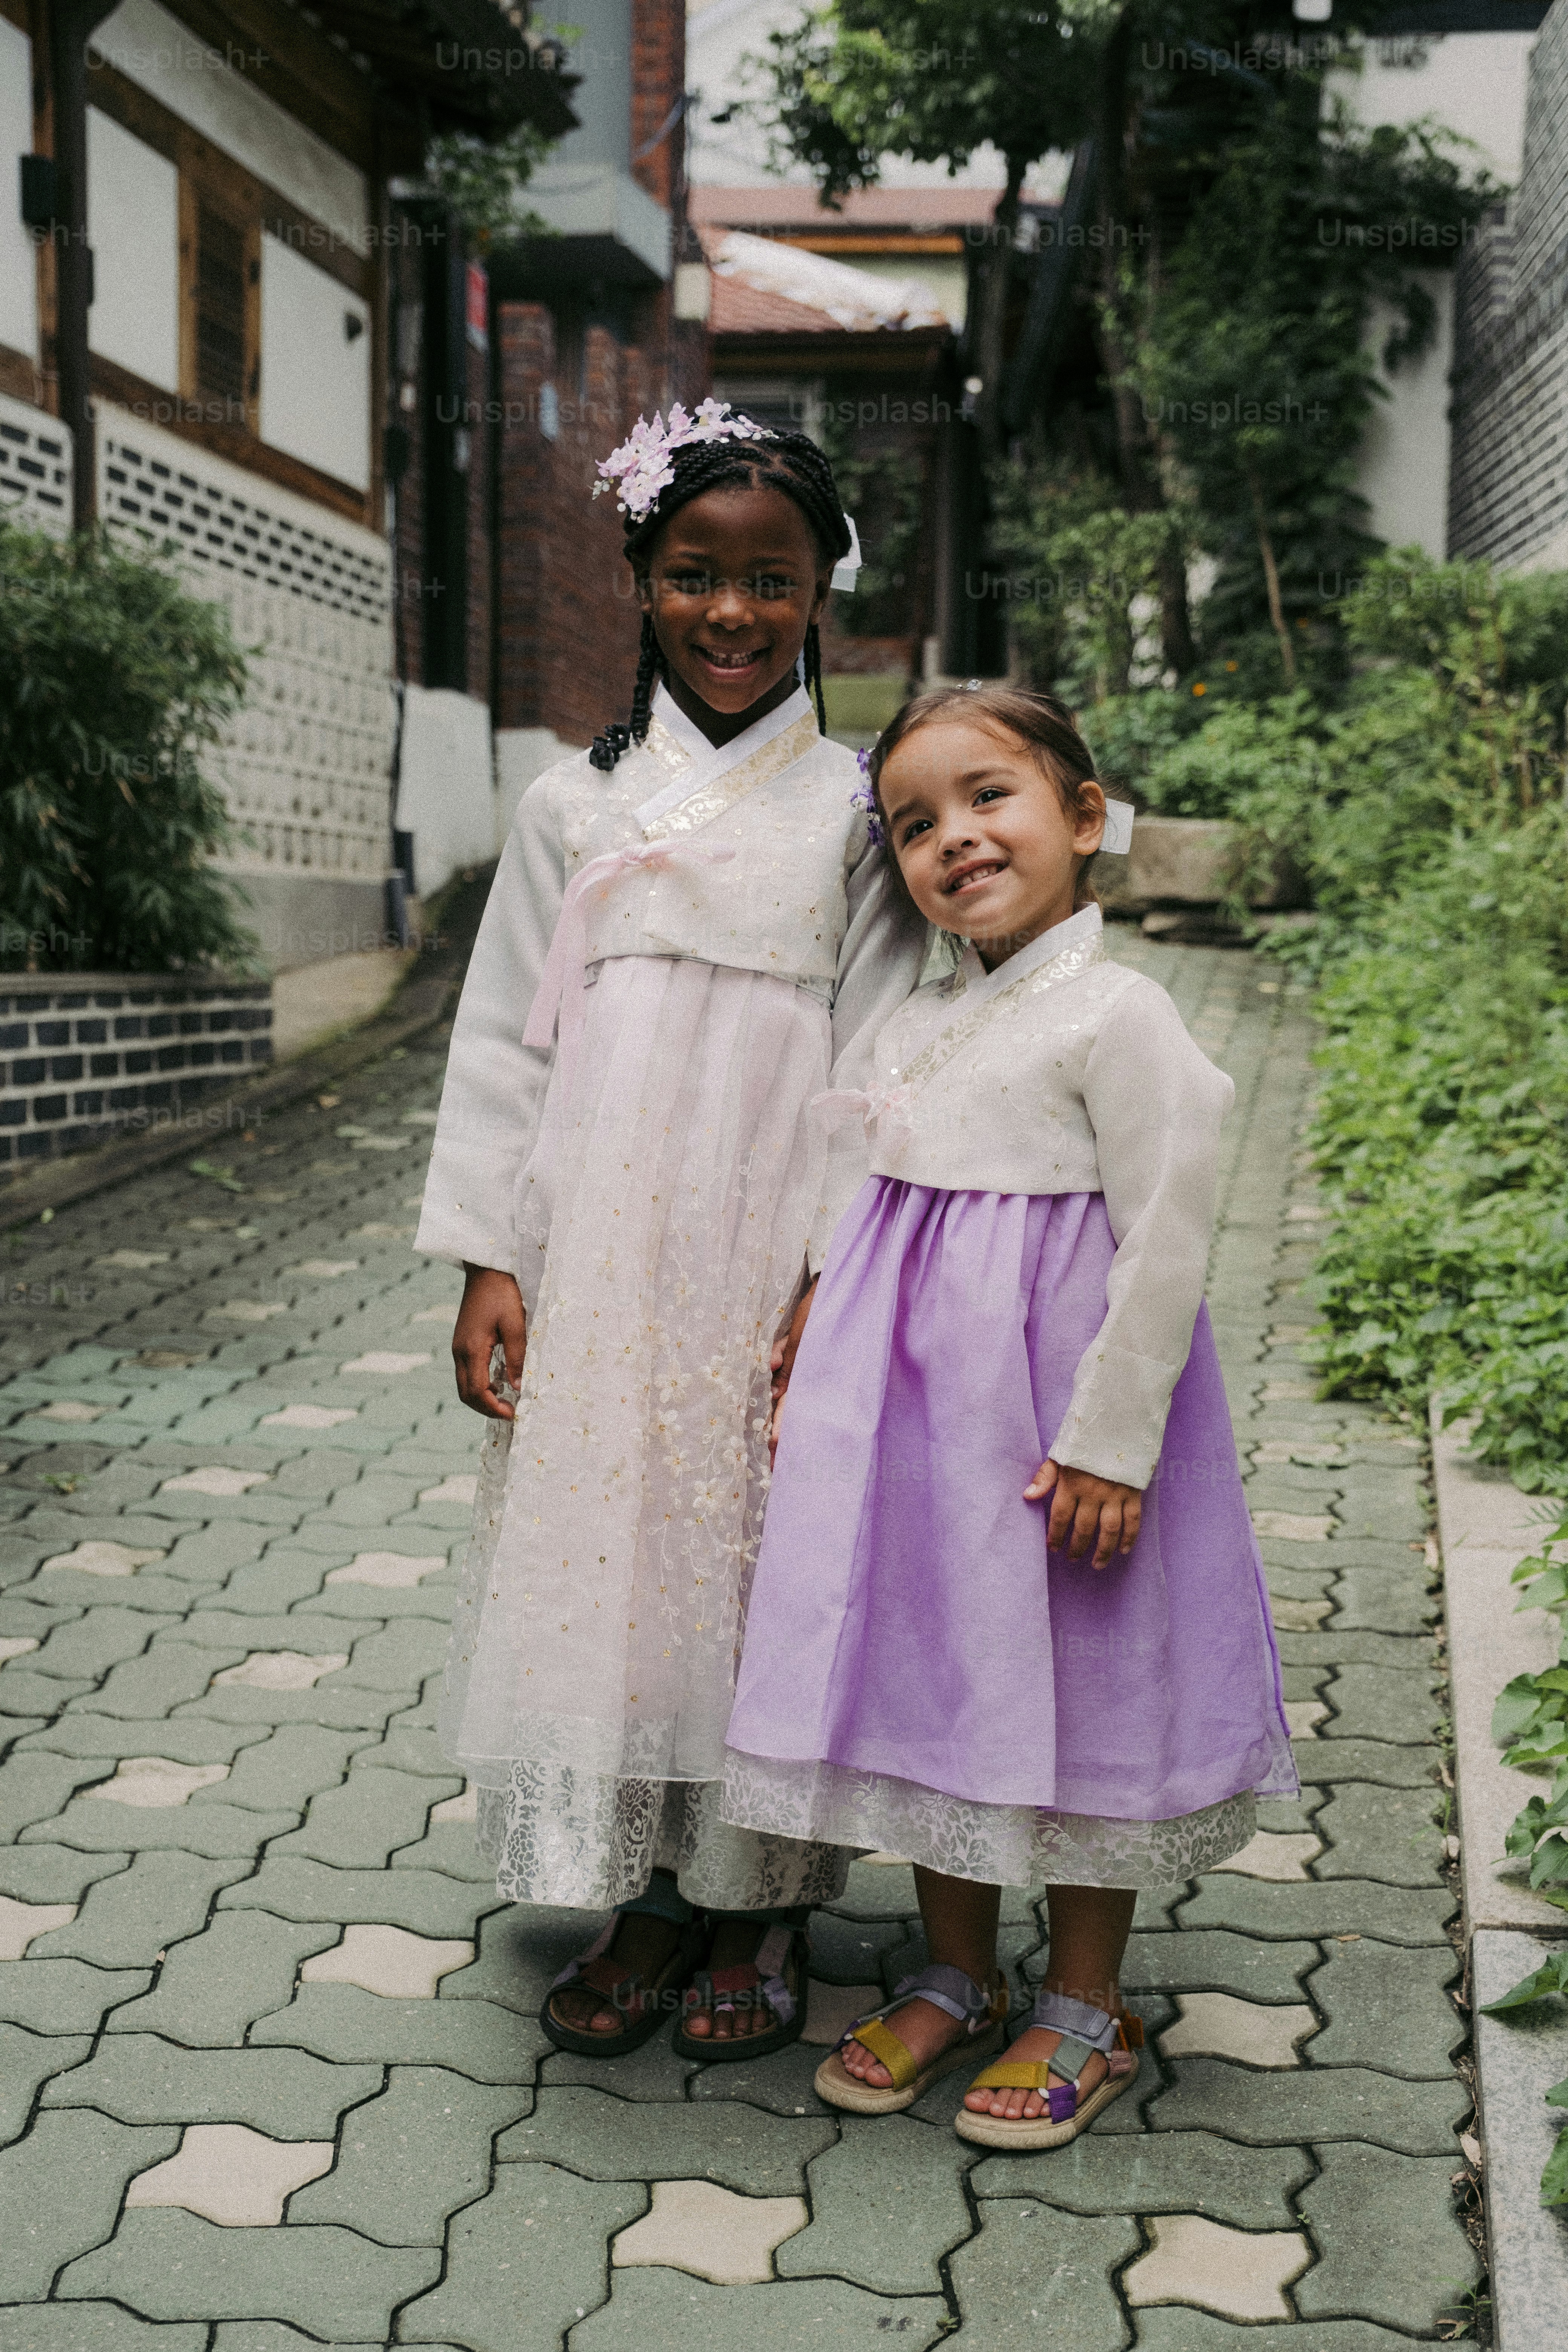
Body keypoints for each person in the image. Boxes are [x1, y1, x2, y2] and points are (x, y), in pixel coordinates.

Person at [415, 400, 927, 2065]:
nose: (730, 612)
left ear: (817, 593)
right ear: (639, 577)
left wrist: (828, 1272)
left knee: (760, 1559)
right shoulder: (580, 804)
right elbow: (505, 1036)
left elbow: (880, 1054)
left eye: (768, 580)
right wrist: (494, 1251)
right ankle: (641, 1888)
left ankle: (759, 1896)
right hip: (608, 1255)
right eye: (695, 574)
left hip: (767, 1253)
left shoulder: (857, 809)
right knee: (620, 1560)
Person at [721, 683, 1297, 2146]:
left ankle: (1086, 2003)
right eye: (914, 824)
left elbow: (1167, 1231)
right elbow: (855, 1191)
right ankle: (956, 1969)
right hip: (915, 1440)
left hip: (1053, 1437)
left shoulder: (1120, 1014)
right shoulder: (914, 1011)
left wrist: (1113, 1439)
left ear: (1082, 817)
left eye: (989, 797)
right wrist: (805, 1332)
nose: (952, 839)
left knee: (1081, 1675)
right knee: (940, 1675)